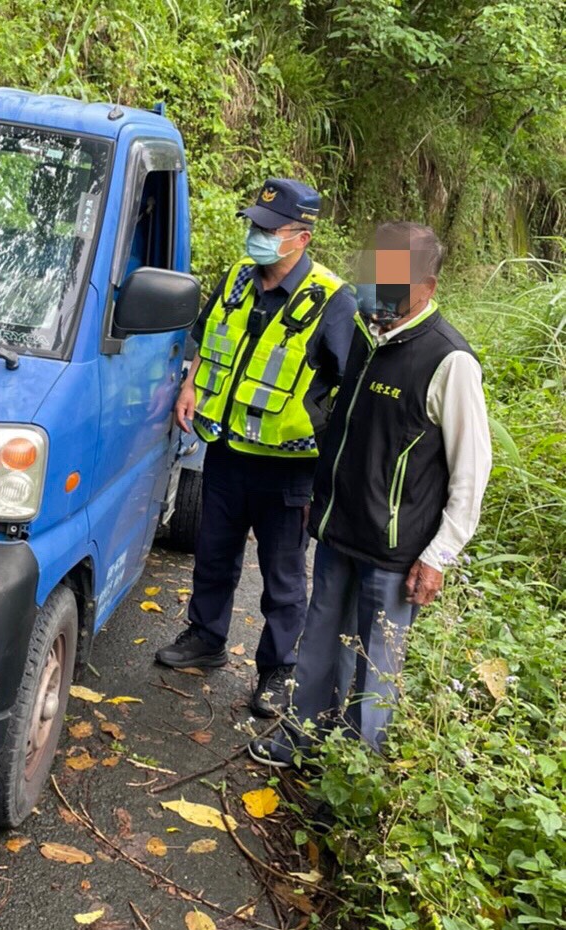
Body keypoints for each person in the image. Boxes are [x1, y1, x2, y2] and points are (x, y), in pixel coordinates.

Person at [249, 221, 492, 766]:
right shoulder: (362, 333)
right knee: (316, 645)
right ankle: (301, 738)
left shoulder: (449, 360)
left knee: (373, 666)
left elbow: (471, 474)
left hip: (395, 553)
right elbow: (343, 428)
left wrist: (438, 557)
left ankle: (354, 772)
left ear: (426, 286)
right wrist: (323, 491)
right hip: (339, 533)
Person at [156, 179, 356, 718]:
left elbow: (349, 384)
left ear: (302, 237)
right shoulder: (239, 280)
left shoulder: (333, 300)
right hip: (225, 451)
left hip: (289, 468)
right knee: (213, 552)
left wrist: (332, 470)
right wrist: (191, 384)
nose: (257, 235)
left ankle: (278, 670)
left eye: (269, 229)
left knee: (283, 575)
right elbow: (208, 338)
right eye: (254, 224)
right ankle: (206, 637)